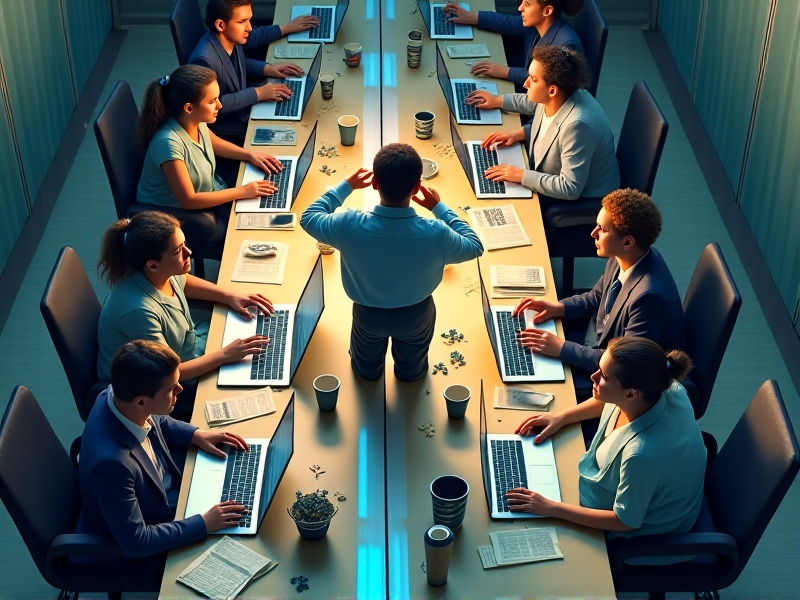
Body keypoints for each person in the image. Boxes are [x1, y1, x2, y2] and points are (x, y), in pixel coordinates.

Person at [300, 143, 484, 381]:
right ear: (417, 187)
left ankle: (367, 375)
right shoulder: (437, 233)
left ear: (375, 183)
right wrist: (439, 208)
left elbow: (308, 218)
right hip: (416, 315)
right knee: (413, 369)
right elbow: (474, 245)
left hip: (368, 315)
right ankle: (410, 378)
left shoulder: (348, 225)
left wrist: (345, 187)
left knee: (365, 369)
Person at [508, 337, 705, 545]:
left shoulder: (641, 456)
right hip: (646, 486)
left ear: (630, 394)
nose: (593, 377)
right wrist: (562, 417)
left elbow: (624, 521)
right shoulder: (663, 387)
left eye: (602, 376)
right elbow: (609, 398)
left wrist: (551, 508)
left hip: (647, 532)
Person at [76, 340, 251, 564]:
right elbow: (137, 542)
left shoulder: (116, 395)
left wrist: (196, 435)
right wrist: (204, 523)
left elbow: (156, 418)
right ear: (140, 402)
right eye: (171, 388)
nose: (181, 389)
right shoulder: (112, 466)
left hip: (165, 482)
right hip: (159, 518)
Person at [513, 188, 685, 401]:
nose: (593, 234)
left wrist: (561, 348)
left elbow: (625, 365)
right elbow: (596, 298)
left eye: (601, 229)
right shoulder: (626, 255)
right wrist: (557, 307)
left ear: (627, 241)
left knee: (532, 384)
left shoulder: (649, 298)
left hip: (615, 370)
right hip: (597, 338)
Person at [96, 211, 272, 408]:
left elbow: (183, 281)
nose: (189, 253)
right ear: (153, 265)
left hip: (185, 351)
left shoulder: (156, 273)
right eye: (178, 251)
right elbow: (168, 372)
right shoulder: (139, 312)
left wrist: (228, 295)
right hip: (159, 387)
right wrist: (224, 355)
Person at [137, 64, 279, 223]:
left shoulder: (193, 121)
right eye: (212, 101)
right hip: (174, 216)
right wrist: (244, 191)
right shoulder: (168, 144)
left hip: (208, 189)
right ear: (189, 108)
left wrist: (250, 155)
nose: (220, 105)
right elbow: (189, 200)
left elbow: (213, 142)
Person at [480, 45, 619, 202]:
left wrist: (520, 175)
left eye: (533, 79)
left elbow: (569, 187)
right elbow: (531, 101)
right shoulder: (560, 94)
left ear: (552, 90)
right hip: (541, 170)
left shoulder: (577, 126)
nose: (525, 84)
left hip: (584, 199)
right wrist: (501, 106)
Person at [189, 0, 307, 183]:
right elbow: (214, 104)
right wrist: (258, 93)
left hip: (243, 112)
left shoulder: (229, 39)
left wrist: (268, 68)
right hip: (227, 129)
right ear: (220, 25)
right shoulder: (203, 60)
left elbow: (240, 63)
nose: (249, 28)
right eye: (242, 22)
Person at [444, 0, 584, 91]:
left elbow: (542, 82)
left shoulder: (566, 46)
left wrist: (503, 71)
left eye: (527, 4)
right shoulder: (540, 22)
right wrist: (471, 17)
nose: (520, 7)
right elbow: (510, 22)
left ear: (547, 10)